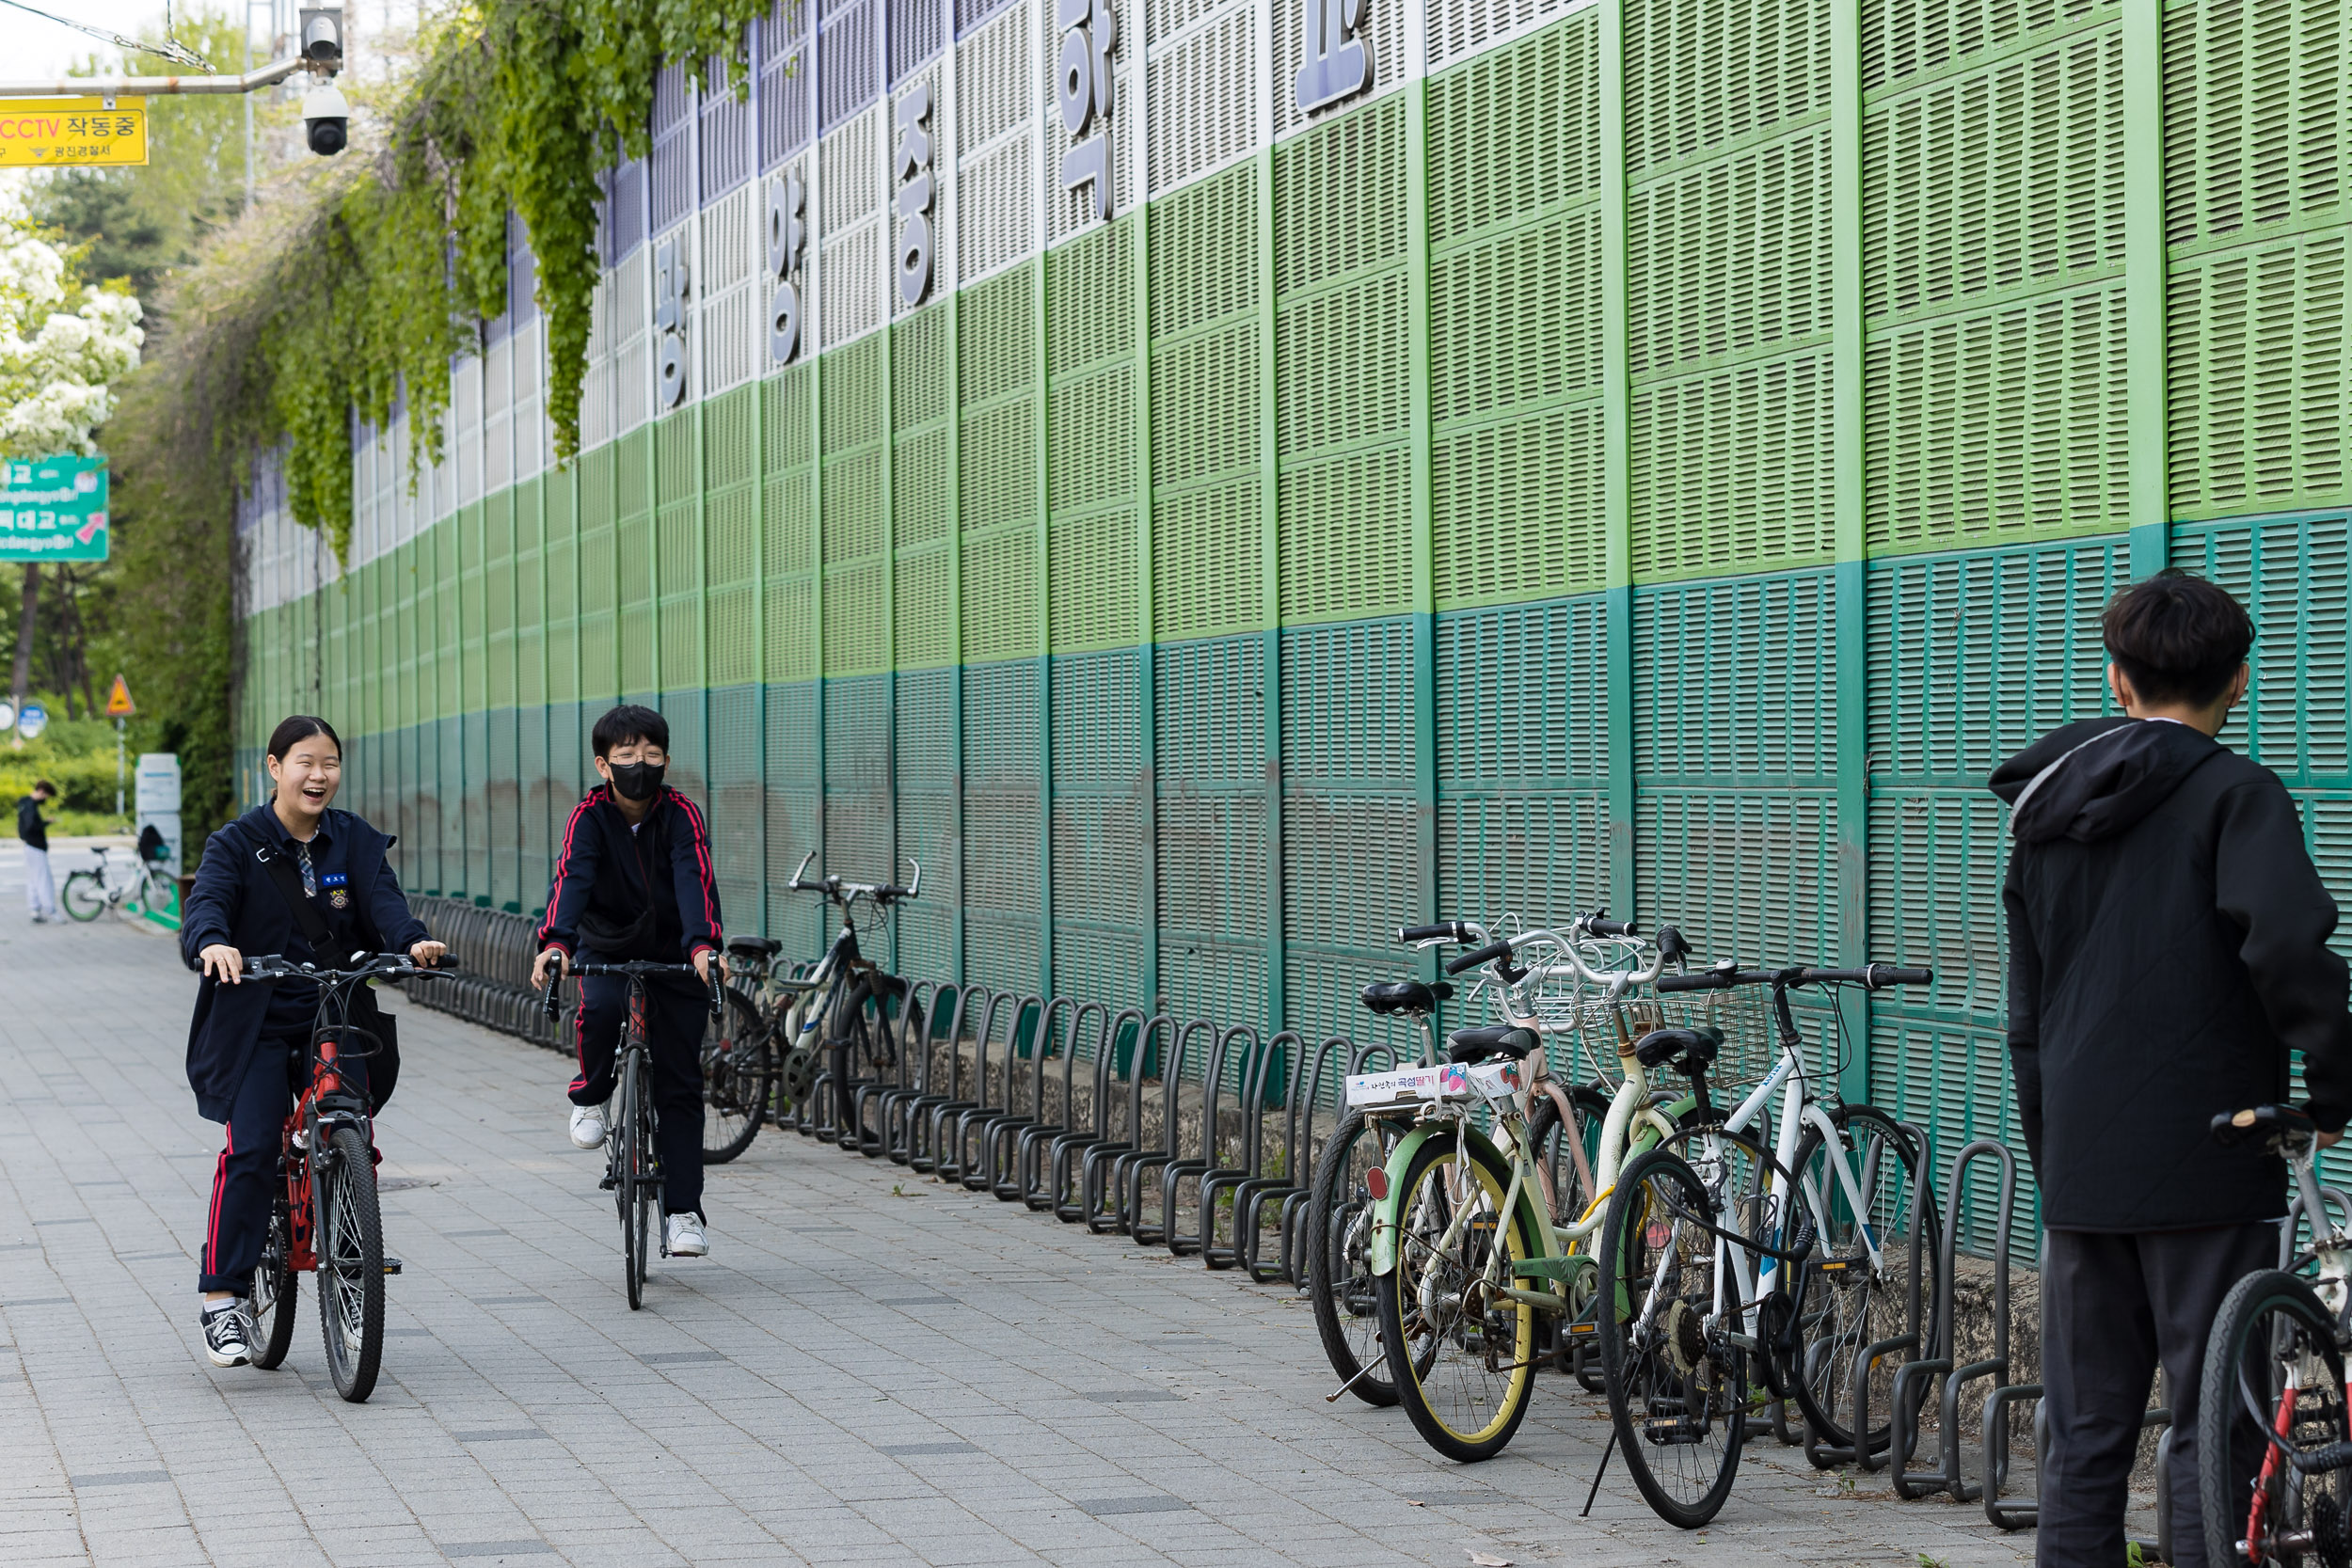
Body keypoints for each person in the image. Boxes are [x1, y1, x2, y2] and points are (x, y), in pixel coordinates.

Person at [1991, 571, 2352, 1568]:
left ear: (2117, 679)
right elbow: (2285, 947)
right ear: (2237, 679)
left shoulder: (2040, 814)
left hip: (2083, 1170)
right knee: (2212, 1430)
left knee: (2083, 1436)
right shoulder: (2237, 795)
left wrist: (2056, 1148)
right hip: (2211, 1158)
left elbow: (2030, 1010)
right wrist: (2331, 1085)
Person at [179, 716, 445, 1370]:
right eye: (305, 761)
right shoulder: (236, 843)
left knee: (350, 1121)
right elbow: (205, 908)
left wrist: (411, 940)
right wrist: (214, 942)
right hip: (257, 1021)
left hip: (336, 1012)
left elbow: (385, 904)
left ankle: (343, 1200)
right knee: (249, 1147)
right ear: (274, 767)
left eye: (329, 762)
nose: (318, 774)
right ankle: (223, 1297)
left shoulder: (352, 838)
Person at [530, 705, 724, 1260]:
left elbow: (695, 879)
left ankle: (684, 1212)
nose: (641, 764)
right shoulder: (588, 817)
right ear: (603, 763)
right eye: (627, 756)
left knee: (681, 1084)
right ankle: (591, 1095)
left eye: (652, 754)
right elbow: (572, 877)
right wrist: (557, 943)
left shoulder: (682, 814)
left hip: (677, 954)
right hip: (605, 945)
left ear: (666, 759)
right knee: (602, 1007)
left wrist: (704, 945)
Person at [16, 778, 57, 923]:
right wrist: (44, 823)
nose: (45, 799)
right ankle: (51, 911)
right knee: (43, 880)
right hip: (36, 846)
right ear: (41, 792)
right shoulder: (31, 806)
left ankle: (35, 910)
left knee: (33, 880)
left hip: (29, 846)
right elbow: (31, 826)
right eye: (46, 796)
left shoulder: (24, 802)